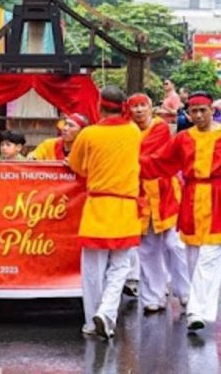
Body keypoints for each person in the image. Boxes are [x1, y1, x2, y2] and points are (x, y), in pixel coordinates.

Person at [140, 91, 221, 332]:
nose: (200, 115)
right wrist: (128, 162)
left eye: (204, 110)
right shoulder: (183, 139)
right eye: (194, 111)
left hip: (219, 199)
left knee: (208, 258)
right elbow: (160, 162)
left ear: (212, 110)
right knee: (192, 258)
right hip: (192, 199)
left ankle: (194, 310)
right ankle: (202, 310)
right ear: (188, 114)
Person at [67, 85, 142, 340]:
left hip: (97, 206)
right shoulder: (134, 132)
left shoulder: (88, 134)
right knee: (121, 266)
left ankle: (92, 320)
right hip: (124, 207)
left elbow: (77, 167)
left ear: (100, 106)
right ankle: (107, 312)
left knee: (92, 268)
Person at [127, 93, 190, 314]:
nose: (139, 110)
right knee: (147, 248)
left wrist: (130, 159)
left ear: (150, 107)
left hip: (165, 191)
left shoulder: (159, 128)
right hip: (141, 193)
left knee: (174, 244)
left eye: (142, 105)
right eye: (134, 107)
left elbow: (149, 158)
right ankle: (153, 295)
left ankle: (185, 291)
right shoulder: (127, 131)